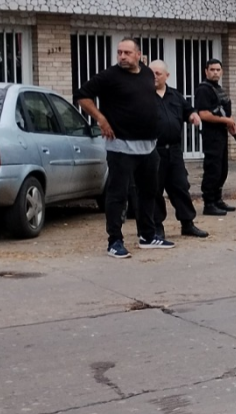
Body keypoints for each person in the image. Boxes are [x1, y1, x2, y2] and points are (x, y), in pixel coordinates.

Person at [75, 38, 175, 258]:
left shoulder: (148, 74)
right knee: (117, 195)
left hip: (149, 146)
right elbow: (82, 95)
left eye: (127, 53)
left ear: (138, 55)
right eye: (119, 52)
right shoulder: (109, 76)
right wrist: (101, 119)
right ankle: (115, 242)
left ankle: (147, 236)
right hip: (121, 146)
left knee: (148, 192)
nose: (122, 56)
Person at [149, 60, 208, 240]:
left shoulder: (175, 95)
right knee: (154, 190)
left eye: (158, 73)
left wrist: (192, 116)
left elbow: (187, 110)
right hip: (153, 150)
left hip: (174, 151)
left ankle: (187, 223)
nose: (154, 77)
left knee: (180, 187)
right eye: (151, 73)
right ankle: (157, 227)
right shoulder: (144, 95)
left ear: (167, 76)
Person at [196, 58, 236, 216]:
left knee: (222, 170)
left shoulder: (219, 89)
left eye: (218, 70)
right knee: (212, 170)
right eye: (212, 70)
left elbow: (225, 111)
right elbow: (204, 114)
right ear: (206, 71)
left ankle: (218, 199)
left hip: (221, 134)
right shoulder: (203, 90)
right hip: (211, 135)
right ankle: (209, 203)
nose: (215, 72)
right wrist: (225, 120)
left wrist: (230, 124)